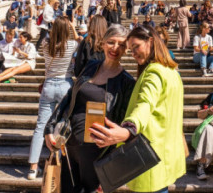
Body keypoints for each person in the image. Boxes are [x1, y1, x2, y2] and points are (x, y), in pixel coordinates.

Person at [90, 25, 186, 193]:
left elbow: (145, 104)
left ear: (150, 41)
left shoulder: (153, 73)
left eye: (136, 47)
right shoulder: (172, 72)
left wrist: (129, 129)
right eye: (131, 49)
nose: (133, 53)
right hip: (165, 157)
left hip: (149, 159)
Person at [41, 25, 136, 188]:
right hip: (69, 143)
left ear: (127, 48)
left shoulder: (127, 81)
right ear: (104, 43)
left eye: (121, 44)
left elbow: (124, 122)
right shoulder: (91, 66)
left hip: (98, 151)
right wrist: (49, 127)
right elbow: (70, 97)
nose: (115, 48)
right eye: (111, 42)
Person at [27, 17, 79, 177]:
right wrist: (73, 26)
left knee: (41, 126)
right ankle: (63, 162)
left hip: (49, 85)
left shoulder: (45, 43)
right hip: (65, 84)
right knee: (64, 125)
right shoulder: (71, 44)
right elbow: (79, 39)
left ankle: (33, 168)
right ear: (67, 29)